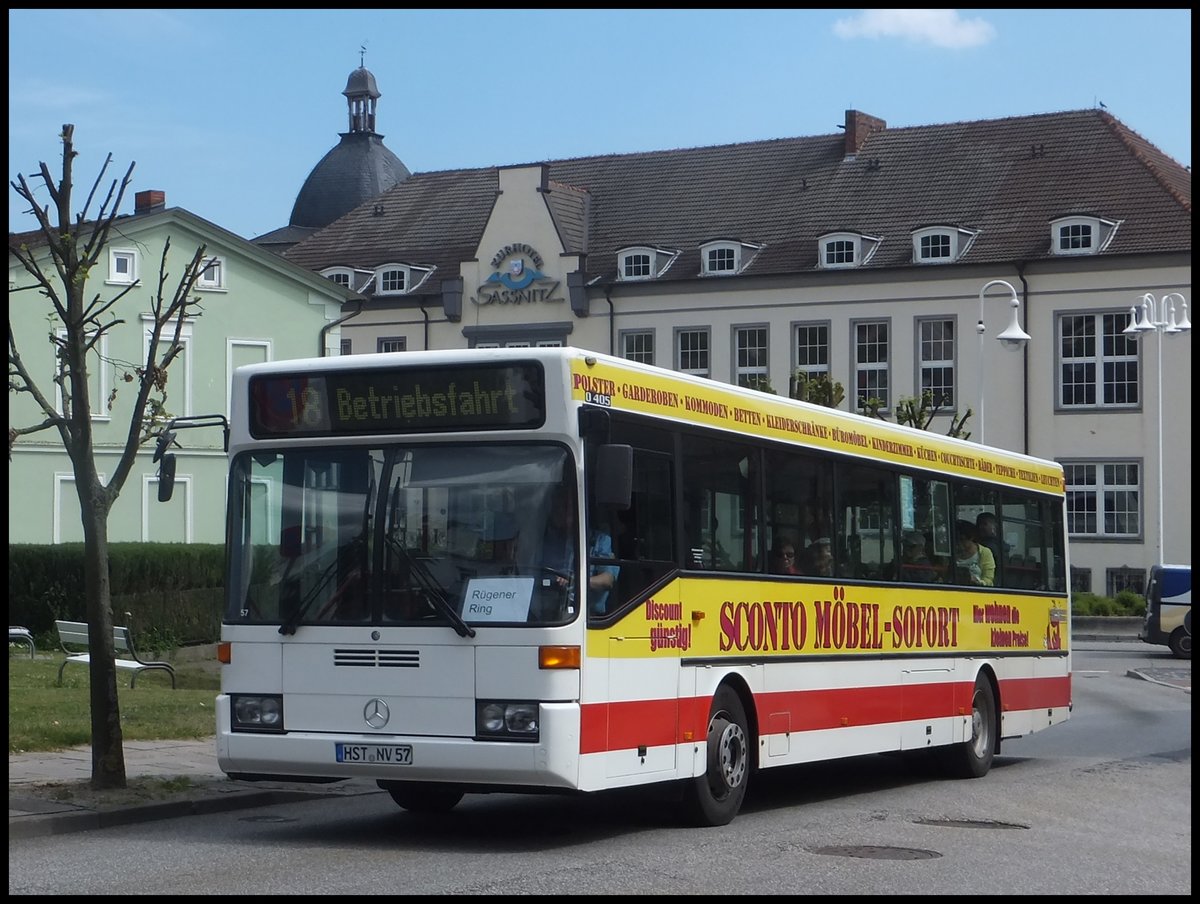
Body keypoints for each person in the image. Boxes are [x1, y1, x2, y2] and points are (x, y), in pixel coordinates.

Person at [542, 488, 619, 615]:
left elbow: (607, 580)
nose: (559, 512)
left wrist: (574, 580)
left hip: (588, 615)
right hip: (547, 610)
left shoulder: (600, 539)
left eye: (565, 507)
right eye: (556, 507)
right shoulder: (545, 541)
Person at [954, 520, 995, 586]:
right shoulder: (950, 553)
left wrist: (979, 582)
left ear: (971, 538)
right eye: (956, 540)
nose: (959, 543)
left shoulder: (984, 553)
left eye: (962, 539)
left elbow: (989, 579)